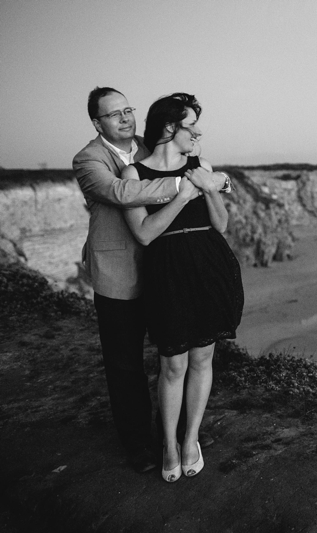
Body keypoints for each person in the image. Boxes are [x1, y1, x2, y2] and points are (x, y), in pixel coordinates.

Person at [73, 87, 230, 473]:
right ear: (98, 122)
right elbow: (121, 192)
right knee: (125, 364)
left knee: (175, 356)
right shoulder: (89, 160)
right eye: (114, 114)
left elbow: (186, 164)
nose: (125, 118)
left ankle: (175, 434)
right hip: (119, 272)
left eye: (129, 110)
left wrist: (217, 182)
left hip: (170, 269)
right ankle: (139, 444)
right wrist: (188, 185)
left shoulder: (152, 144)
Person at [121, 93, 244, 482]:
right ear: (170, 128)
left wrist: (208, 188)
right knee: (172, 363)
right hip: (167, 268)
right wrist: (183, 194)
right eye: (192, 125)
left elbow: (221, 225)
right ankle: (169, 444)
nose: (199, 132)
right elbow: (143, 234)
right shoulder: (133, 175)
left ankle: (191, 439)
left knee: (203, 358)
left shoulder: (201, 166)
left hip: (209, 262)